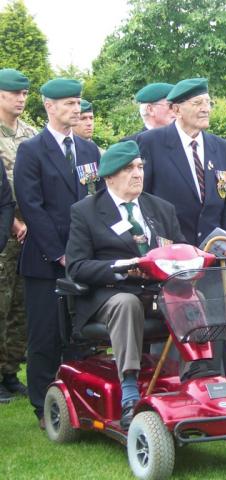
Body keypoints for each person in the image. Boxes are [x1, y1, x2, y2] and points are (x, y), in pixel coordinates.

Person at [65, 141, 185, 428]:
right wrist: (122, 270)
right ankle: (129, 391)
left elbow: (178, 251)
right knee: (126, 303)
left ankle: (199, 376)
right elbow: (76, 267)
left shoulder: (161, 208)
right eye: (128, 169)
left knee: (194, 297)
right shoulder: (86, 211)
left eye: (140, 167)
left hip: (158, 292)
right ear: (109, 177)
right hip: (110, 295)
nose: (137, 174)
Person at [14, 78, 102, 427]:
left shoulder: (89, 150)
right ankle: (42, 404)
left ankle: (78, 396)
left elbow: (97, 202)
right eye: (67, 103)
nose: (76, 109)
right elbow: (31, 206)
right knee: (45, 334)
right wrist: (61, 253)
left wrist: (87, 251)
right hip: (46, 260)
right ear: (49, 106)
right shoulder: (31, 150)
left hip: (84, 257)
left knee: (80, 332)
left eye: (77, 102)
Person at [138, 78, 226, 245]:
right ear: (177, 109)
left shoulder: (223, 148)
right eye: (198, 103)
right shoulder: (151, 143)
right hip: (172, 253)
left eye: (208, 102)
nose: (205, 109)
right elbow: (142, 197)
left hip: (216, 255)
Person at [0, 68, 37, 402]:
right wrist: (12, 220)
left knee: (20, 306)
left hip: (29, 234)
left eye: (25, 94)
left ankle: (10, 371)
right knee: (1, 302)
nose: (22, 99)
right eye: (16, 94)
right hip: (4, 231)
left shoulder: (30, 134)